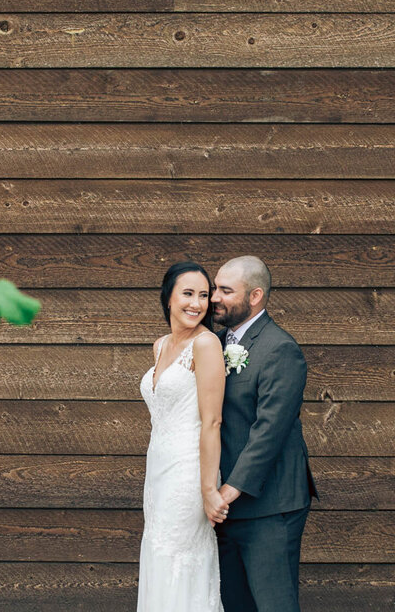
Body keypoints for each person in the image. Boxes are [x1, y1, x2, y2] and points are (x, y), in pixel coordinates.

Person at [211, 256, 316, 612]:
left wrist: (229, 489)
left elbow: (269, 430)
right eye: (215, 288)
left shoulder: (280, 349)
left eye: (225, 290)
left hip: (269, 506)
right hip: (226, 508)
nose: (214, 298)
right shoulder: (215, 342)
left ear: (255, 296)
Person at [138, 261, 229, 611]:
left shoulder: (205, 345)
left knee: (179, 556)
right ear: (168, 299)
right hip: (159, 469)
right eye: (188, 294)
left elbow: (212, 421)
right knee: (159, 551)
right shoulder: (160, 346)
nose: (197, 303)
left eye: (204, 295)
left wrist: (208, 490)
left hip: (190, 472)